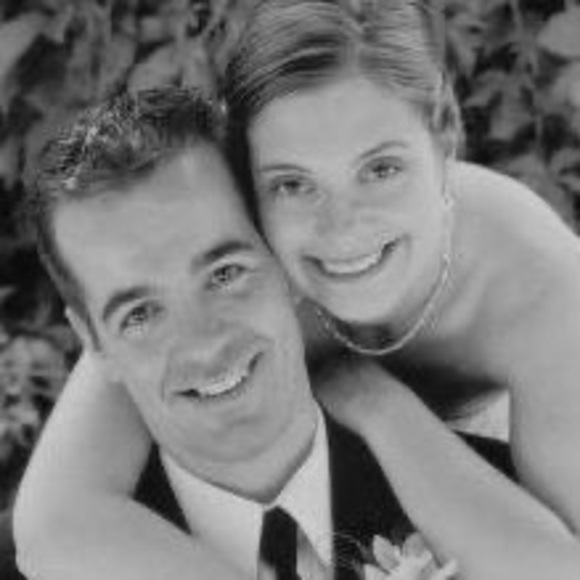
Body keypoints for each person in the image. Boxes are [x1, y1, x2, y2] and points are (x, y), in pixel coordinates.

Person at [13, 0, 580, 577]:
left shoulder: (536, 279)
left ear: (445, 139)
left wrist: (379, 405)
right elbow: (54, 525)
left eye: (381, 169)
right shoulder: (200, 261)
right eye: (292, 184)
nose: (342, 229)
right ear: (251, 198)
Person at [6, 87, 474, 580]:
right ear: (94, 340)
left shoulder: (491, 500)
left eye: (225, 274)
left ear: (287, 259)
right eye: (140, 314)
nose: (204, 343)